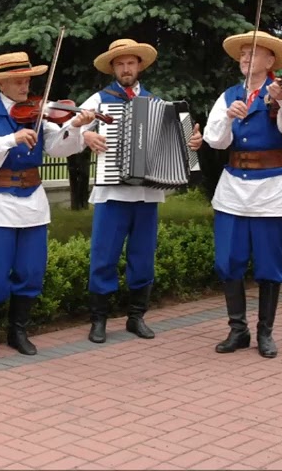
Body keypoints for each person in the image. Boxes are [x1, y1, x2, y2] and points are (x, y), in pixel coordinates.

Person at [0, 51, 95, 359]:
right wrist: (11, 139)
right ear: (2, 83)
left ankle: (18, 331)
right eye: (19, 80)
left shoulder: (39, 111)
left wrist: (75, 126)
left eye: (28, 79)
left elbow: (58, 147)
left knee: (31, 270)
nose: (26, 85)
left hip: (33, 201)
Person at [75, 39, 202, 343]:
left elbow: (185, 148)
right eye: (120, 64)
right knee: (104, 256)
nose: (125, 69)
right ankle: (99, 320)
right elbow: (71, 128)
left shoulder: (157, 103)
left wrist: (193, 144)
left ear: (139, 66)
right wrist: (86, 136)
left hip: (147, 194)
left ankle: (136, 317)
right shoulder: (99, 100)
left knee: (143, 256)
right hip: (111, 193)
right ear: (113, 69)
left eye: (130, 63)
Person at [201, 29, 282, 359]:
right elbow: (215, 141)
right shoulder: (229, 96)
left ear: (270, 60)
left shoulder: (281, 93)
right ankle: (238, 330)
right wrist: (227, 116)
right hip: (234, 187)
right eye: (243, 54)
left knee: (268, 262)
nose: (245, 58)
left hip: (270, 189)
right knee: (228, 260)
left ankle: (265, 332)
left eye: (253, 53)